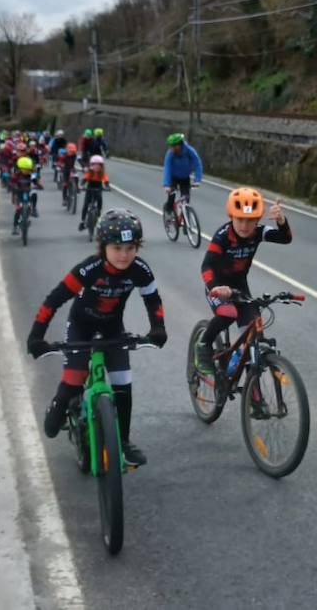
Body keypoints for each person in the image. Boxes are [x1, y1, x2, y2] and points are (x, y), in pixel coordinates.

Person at [26, 210, 167, 465]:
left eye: (130, 247)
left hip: (113, 327)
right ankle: (60, 403)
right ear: (103, 247)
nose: (124, 255)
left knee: (123, 384)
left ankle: (122, 442)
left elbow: (153, 300)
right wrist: (37, 336)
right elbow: (53, 300)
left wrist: (158, 327)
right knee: (74, 379)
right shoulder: (88, 269)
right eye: (116, 248)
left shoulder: (140, 270)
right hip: (81, 326)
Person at [194, 188, 291, 373]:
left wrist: (281, 221)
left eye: (250, 220)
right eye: (240, 219)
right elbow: (206, 267)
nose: (245, 226)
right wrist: (216, 288)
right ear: (231, 216)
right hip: (217, 285)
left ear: (258, 220)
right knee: (228, 313)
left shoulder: (259, 232)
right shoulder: (223, 236)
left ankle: (251, 389)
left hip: (239, 286)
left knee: (255, 335)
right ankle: (203, 345)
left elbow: (285, 238)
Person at [162, 133, 203, 220]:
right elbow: (167, 169)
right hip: (174, 177)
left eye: (172, 146)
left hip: (185, 177)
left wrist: (197, 180)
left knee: (186, 199)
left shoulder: (189, 151)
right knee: (171, 196)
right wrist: (166, 185)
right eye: (170, 146)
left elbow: (198, 164)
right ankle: (168, 210)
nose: (170, 148)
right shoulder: (170, 154)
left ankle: (185, 220)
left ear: (178, 145)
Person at [8, 155, 42, 231]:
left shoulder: (31, 175)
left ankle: (33, 208)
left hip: (28, 191)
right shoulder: (16, 175)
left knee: (34, 194)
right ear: (20, 168)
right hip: (19, 193)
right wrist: (12, 186)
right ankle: (15, 226)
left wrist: (39, 186)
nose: (27, 171)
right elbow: (11, 182)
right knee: (18, 210)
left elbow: (36, 182)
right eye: (25, 169)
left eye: (28, 169)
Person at [78, 155, 111, 230]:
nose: (96, 167)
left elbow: (106, 180)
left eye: (98, 165)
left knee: (99, 200)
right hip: (89, 189)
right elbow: (85, 179)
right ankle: (83, 221)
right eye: (94, 165)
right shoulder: (90, 173)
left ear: (101, 166)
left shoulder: (102, 173)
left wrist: (107, 186)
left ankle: (98, 216)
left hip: (98, 189)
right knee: (86, 204)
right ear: (91, 165)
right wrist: (81, 185)